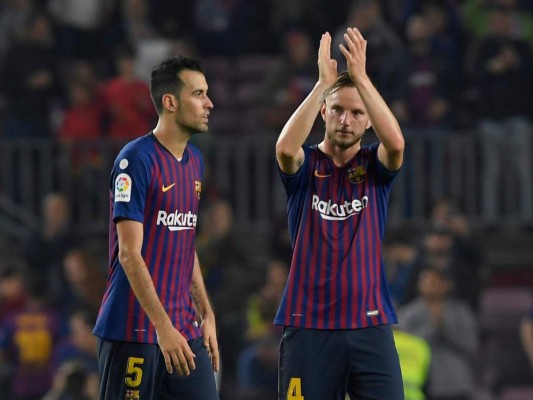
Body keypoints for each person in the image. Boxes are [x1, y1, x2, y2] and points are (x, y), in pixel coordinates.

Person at [274, 28, 405, 399]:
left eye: (357, 112)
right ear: (324, 113)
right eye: (338, 110)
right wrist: (322, 85)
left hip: (369, 325)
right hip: (307, 325)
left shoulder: (375, 169)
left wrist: (361, 78)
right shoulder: (305, 166)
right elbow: (285, 148)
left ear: (368, 121)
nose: (346, 120)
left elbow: (396, 143)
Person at [93, 55, 220, 400]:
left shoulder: (195, 161)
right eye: (198, 94)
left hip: (184, 330)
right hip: (134, 330)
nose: (209, 103)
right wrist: (161, 328)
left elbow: (185, 242)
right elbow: (129, 254)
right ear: (170, 102)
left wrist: (206, 314)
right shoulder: (134, 160)